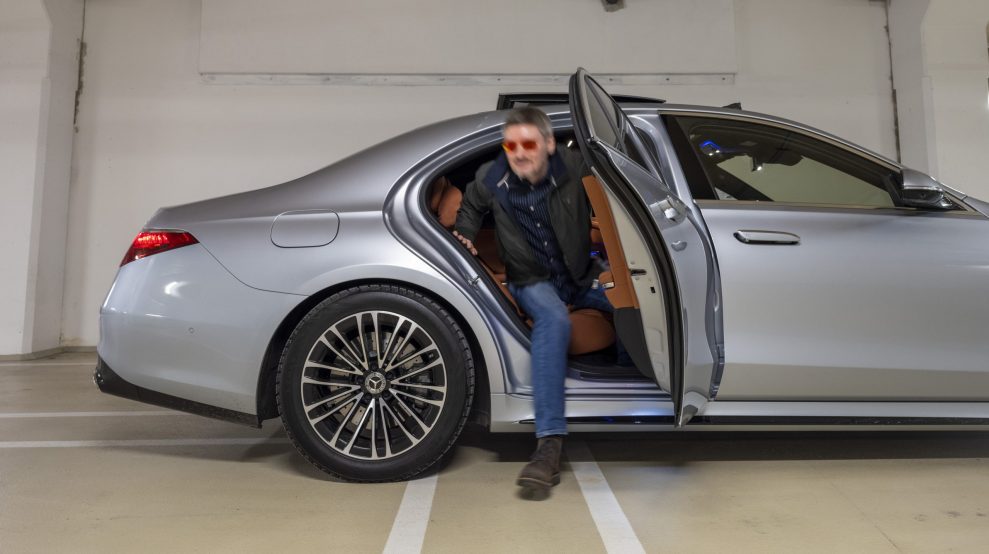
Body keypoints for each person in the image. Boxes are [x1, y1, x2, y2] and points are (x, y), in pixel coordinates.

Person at [453, 107, 616, 495]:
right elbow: (471, 205)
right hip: (531, 280)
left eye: (528, 144)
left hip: (580, 275)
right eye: (511, 146)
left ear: (549, 144)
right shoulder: (492, 176)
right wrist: (465, 235)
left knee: (637, 301)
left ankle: (639, 381)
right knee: (554, 319)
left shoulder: (575, 166)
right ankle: (548, 445)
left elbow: (617, 189)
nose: (519, 154)